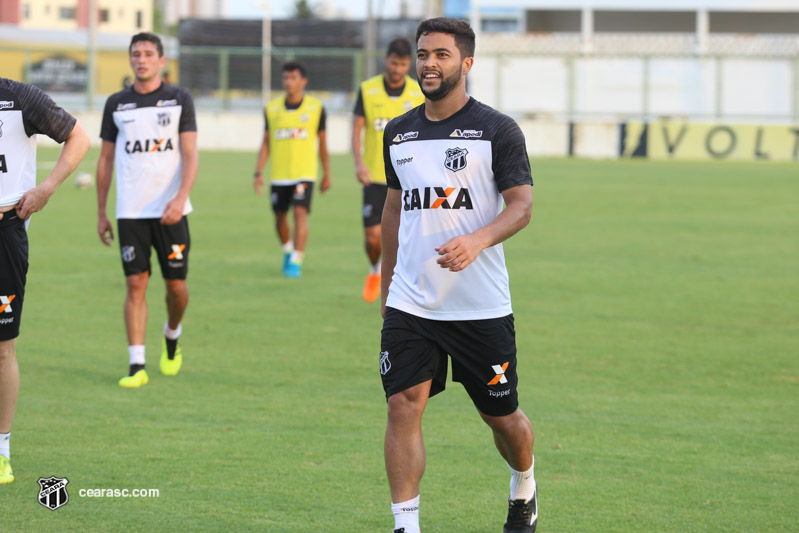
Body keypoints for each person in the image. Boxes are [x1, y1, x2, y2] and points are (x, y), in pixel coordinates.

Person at [379, 18, 537, 533]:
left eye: (442, 55)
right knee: (403, 405)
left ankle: (523, 483)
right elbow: (394, 212)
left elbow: (522, 207)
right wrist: (387, 290)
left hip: (479, 305)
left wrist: (477, 239)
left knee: (502, 417)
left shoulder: (497, 130)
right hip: (412, 303)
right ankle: (406, 524)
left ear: (466, 63)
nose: (429, 63)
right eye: (424, 54)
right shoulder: (398, 131)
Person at [0, 77, 90, 483]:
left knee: (2, 349)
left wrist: (46, 189)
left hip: (6, 230)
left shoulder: (20, 98)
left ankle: (0, 451)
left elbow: (78, 137)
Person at [96, 32, 199, 388]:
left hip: (172, 211)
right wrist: (101, 212)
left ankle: (172, 333)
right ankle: (136, 364)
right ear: (130, 60)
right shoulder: (116, 104)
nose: (141, 59)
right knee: (135, 283)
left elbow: (190, 154)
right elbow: (106, 159)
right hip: (131, 212)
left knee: (177, 289)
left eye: (148, 53)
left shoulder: (178, 99)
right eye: (136, 54)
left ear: (161, 60)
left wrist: (180, 196)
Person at [352, 38, 424, 302]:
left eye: (404, 64)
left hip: (408, 178)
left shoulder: (418, 92)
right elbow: (357, 129)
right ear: (387, 60)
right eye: (394, 63)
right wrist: (359, 162)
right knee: (373, 237)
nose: (398, 68)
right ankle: (374, 270)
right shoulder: (368, 90)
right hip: (374, 175)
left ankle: (401, 282)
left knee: (408, 235)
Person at [253, 61, 331, 278]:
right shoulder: (272, 108)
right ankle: (288, 250)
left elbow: (323, 143)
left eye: (293, 78)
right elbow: (266, 142)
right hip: (279, 175)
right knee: (279, 219)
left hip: (304, 173)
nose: (289, 82)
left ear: (303, 81)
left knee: (300, 214)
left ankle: (296, 260)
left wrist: (327, 173)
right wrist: (258, 171)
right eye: (286, 78)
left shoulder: (316, 108)